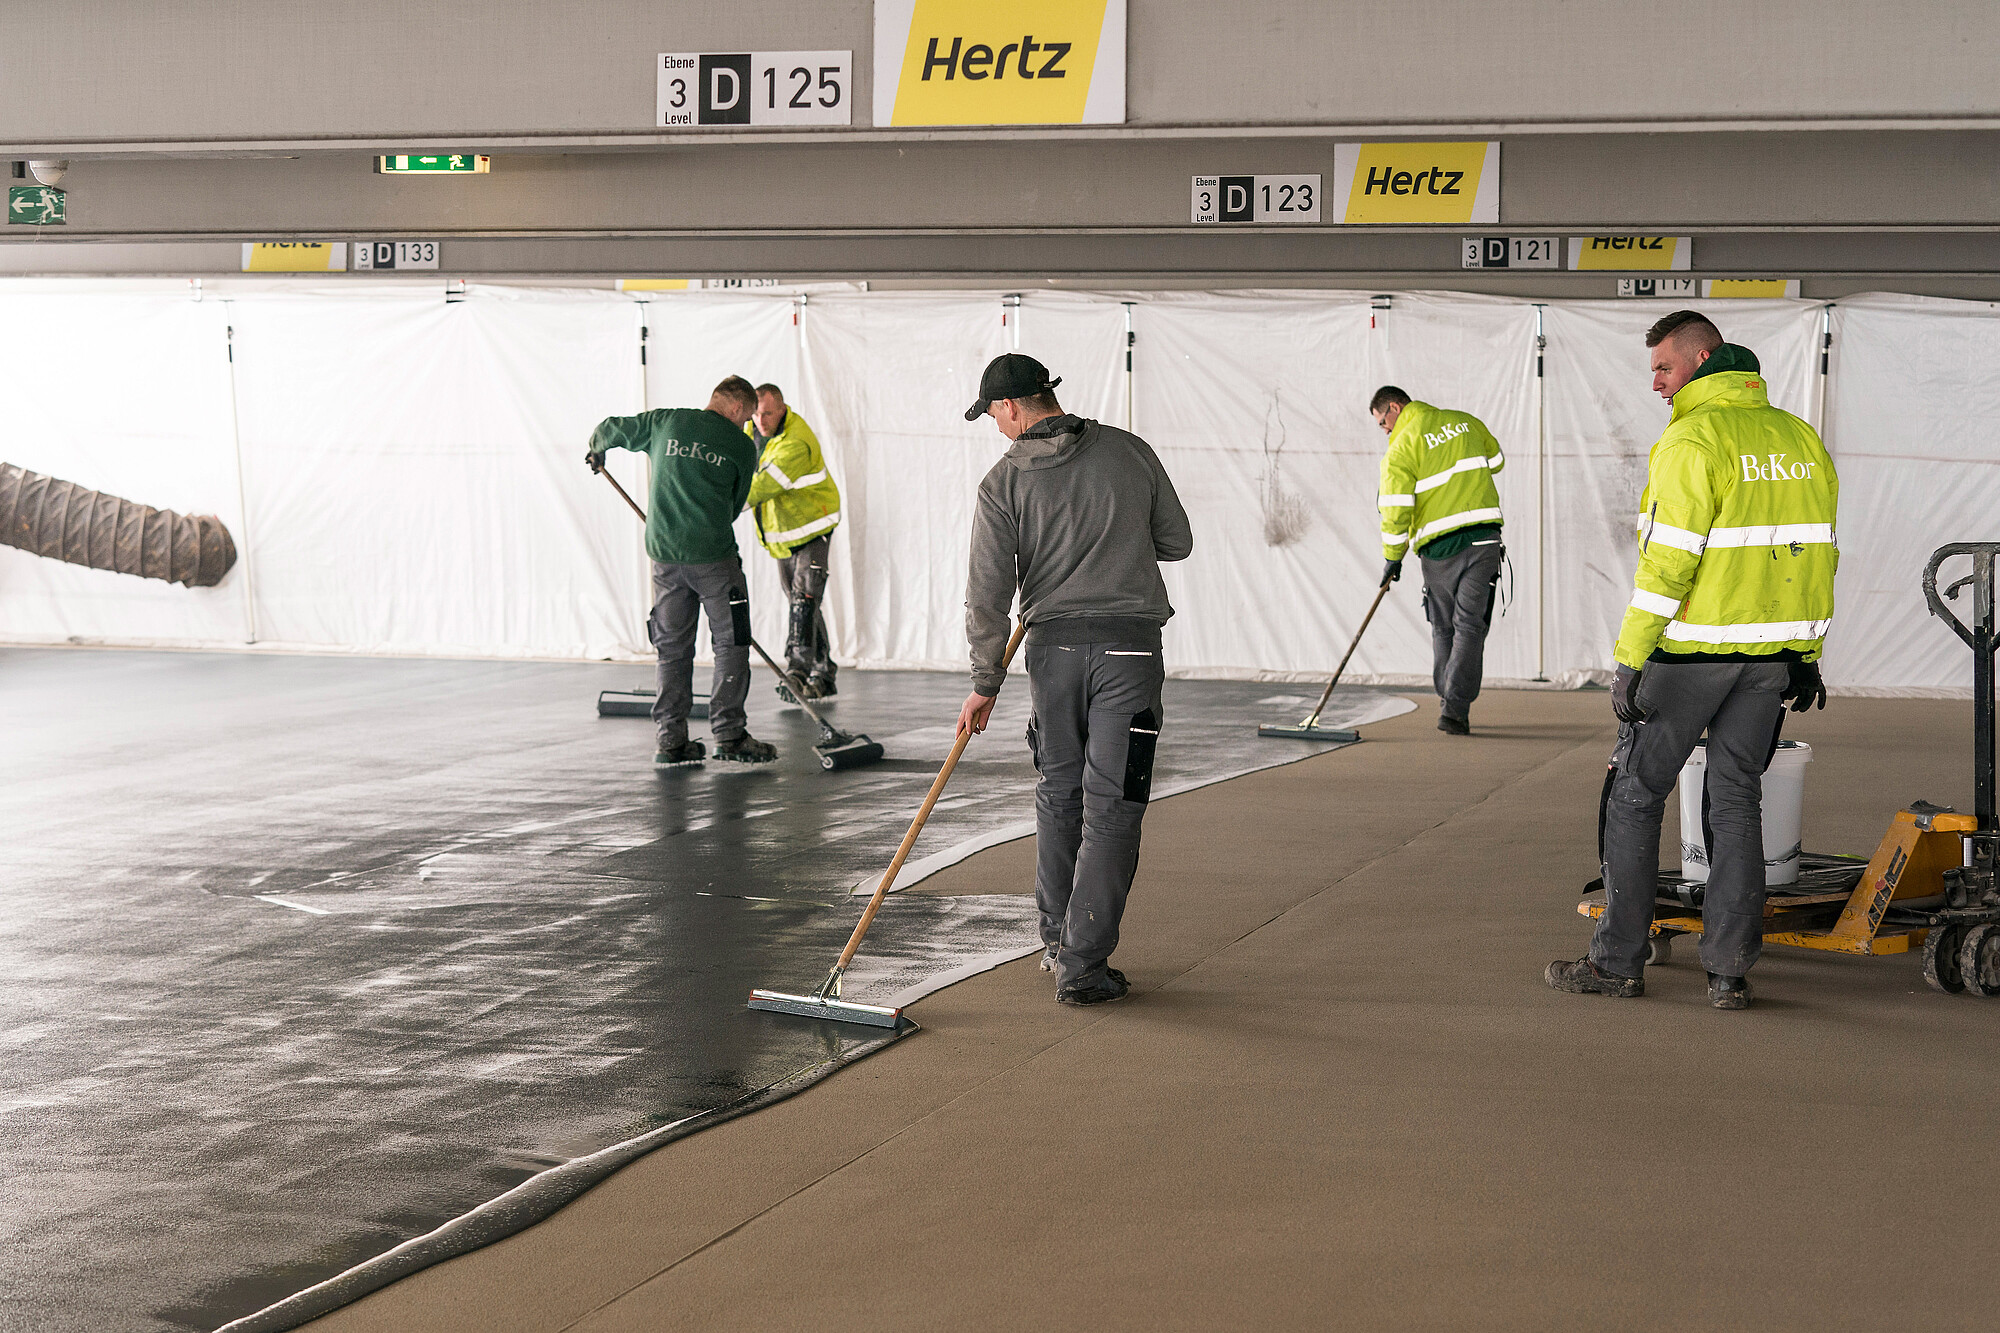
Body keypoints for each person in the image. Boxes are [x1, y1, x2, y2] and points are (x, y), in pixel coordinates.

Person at [1546, 311, 1837, 1011]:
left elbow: (1668, 564)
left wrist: (1630, 659)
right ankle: (1729, 972)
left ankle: (1617, 963)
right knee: (1736, 801)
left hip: (1689, 657)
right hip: (1767, 662)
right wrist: (1807, 653)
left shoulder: (1691, 440)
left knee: (1636, 794)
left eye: (1664, 368)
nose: (1656, 384)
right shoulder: (1799, 439)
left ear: (1702, 359)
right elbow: (1820, 554)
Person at [955, 353, 1193, 1006]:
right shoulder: (1130, 452)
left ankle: (1058, 940)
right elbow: (1176, 542)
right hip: (1130, 654)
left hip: (1052, 655)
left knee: (1060, 792)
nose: (997, 428)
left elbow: (986, 592)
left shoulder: (1003, 482)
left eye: (993, 415)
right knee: (1115, 804)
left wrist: (985, 682)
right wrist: (1116, 537)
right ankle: (1083, 965)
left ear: (1010, 407)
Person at [586, 375, 778, 768]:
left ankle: (670, 741)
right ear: (737, 408)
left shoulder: (665, 421)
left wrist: (597, 450)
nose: (747, 425)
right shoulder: (742, 446)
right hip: (714, 559)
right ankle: (729, 735)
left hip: (665, 556)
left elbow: (610, 429)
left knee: (672, 649)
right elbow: (734, 504)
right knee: (731, 643)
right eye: (747, 417)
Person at [1373, 386, 1507, 735]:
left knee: (1444, 627)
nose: (1384, 430)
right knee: (1470, 625)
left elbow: (1395, 509)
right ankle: (1455, 709)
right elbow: (1496, 462)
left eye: (1382, 422)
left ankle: (1449, 700)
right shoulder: (1465, 422)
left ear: (1395, 407)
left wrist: (1393, 558)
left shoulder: (1401, 447)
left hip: (1439, 551)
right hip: (1483, 540)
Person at [745, 383, 843, 701]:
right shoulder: (750, 431)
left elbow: (757, 489)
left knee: (804, 599)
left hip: (812, 528)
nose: (761, 421)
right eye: (756, 414)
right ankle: (824, 673)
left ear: (783, 409)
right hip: (785, 534)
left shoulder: (796, 442)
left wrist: (713, 508)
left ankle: (797, 671)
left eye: (768, 414)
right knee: (802, 603)